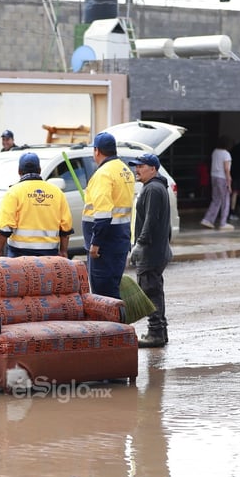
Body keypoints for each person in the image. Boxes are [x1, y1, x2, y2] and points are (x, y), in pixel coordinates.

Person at [82, 131, 135, 299]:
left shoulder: (103, 174)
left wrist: (95, 243)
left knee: (103, 295)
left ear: (97, 151)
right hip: (120, 239)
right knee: (112, 288)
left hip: (104, 245)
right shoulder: (124, 170)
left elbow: (103, 215)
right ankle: (118, 323)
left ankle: (113, 325)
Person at [129, 153, 171, 348]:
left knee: (150, 291)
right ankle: (160, 331)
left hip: (151, 251)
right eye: (136, 166)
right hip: (156, 249)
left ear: (153, 169)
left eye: (141, 166)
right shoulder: (155, 187)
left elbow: (151, 220)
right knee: (155, 290)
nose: (137, 170)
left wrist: (140, 244)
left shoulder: (153, 189)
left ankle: (155, 333)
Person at [0, 152, 72, 257]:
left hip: (19, 255)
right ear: (39, 170)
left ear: (19, 171)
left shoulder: (13, 192)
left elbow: (4, 227)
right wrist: (63, 251)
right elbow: (66, 227)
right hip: (49, 254)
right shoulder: (57, 192)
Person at [200, 135, 234, 231]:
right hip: (222, 178)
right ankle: (223, 223)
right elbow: (227, 169)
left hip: (214, 177)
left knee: (216, 200)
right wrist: (229, 181)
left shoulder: (215, 152)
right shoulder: (226, 154)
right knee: (226, 200)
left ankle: (207, 219)